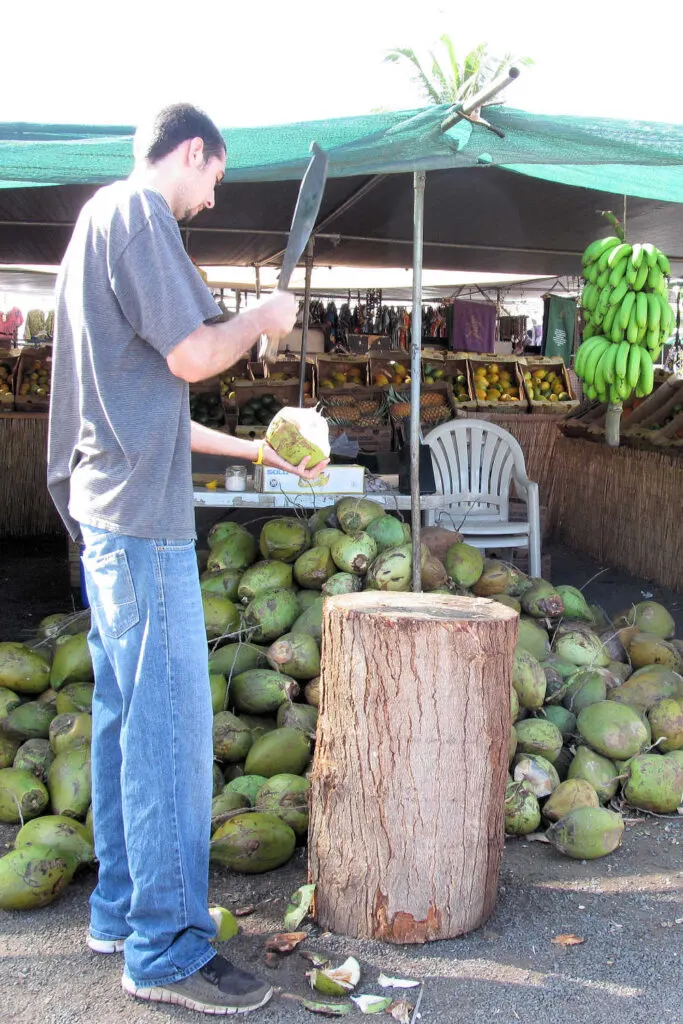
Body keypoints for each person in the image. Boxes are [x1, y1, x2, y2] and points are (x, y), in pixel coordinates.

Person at [47, 102, 328, 1016]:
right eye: (215, 176)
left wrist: (256, 452)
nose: (212, 198)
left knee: (130, 724)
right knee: (170, 737)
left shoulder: (98, 224)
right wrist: (264, 316)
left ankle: (122, 911)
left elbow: (157, 397)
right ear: (194, 152)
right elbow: (197, 353)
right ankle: (166, 952)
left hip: (109, 515)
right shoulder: (140, 215)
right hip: (138, 529)